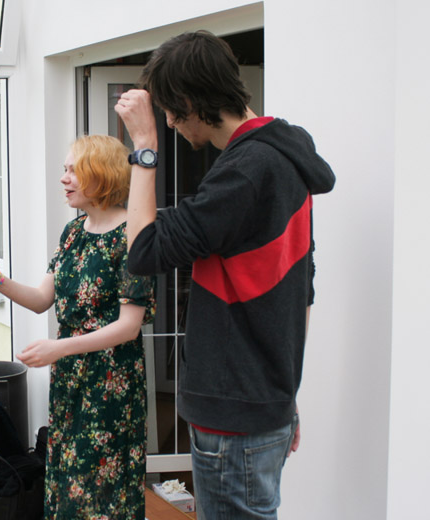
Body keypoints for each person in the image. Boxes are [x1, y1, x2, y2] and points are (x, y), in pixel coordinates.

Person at [114, 31, 336, 519]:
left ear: (190, 102)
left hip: (235, 411)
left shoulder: (245, 172)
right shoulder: (282, 156)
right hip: (263, 400)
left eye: (170, 111)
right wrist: (283, 394)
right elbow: (302, 285)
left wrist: (144, 148)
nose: (169, 122)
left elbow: (143, 250)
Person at [0, 134, 155, 519]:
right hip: (70, 380)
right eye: (64, 170)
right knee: (67, 484)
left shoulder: (132, 235)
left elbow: (129, 327)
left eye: (73, 171)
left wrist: (58, 348)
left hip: (111, 384)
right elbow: (42, 299)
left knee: (103, 491)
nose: (64, 179)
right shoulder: (73, 232)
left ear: (100, 174)